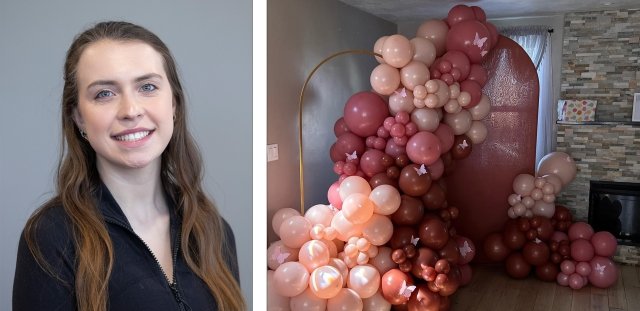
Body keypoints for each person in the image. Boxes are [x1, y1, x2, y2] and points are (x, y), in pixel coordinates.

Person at [12, 21, 246, 311]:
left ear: (173, 103)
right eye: (104, 94)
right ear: (78, 117)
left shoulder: (213, 230)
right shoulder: (51, 237)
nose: (131, 111)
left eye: (147, 87)